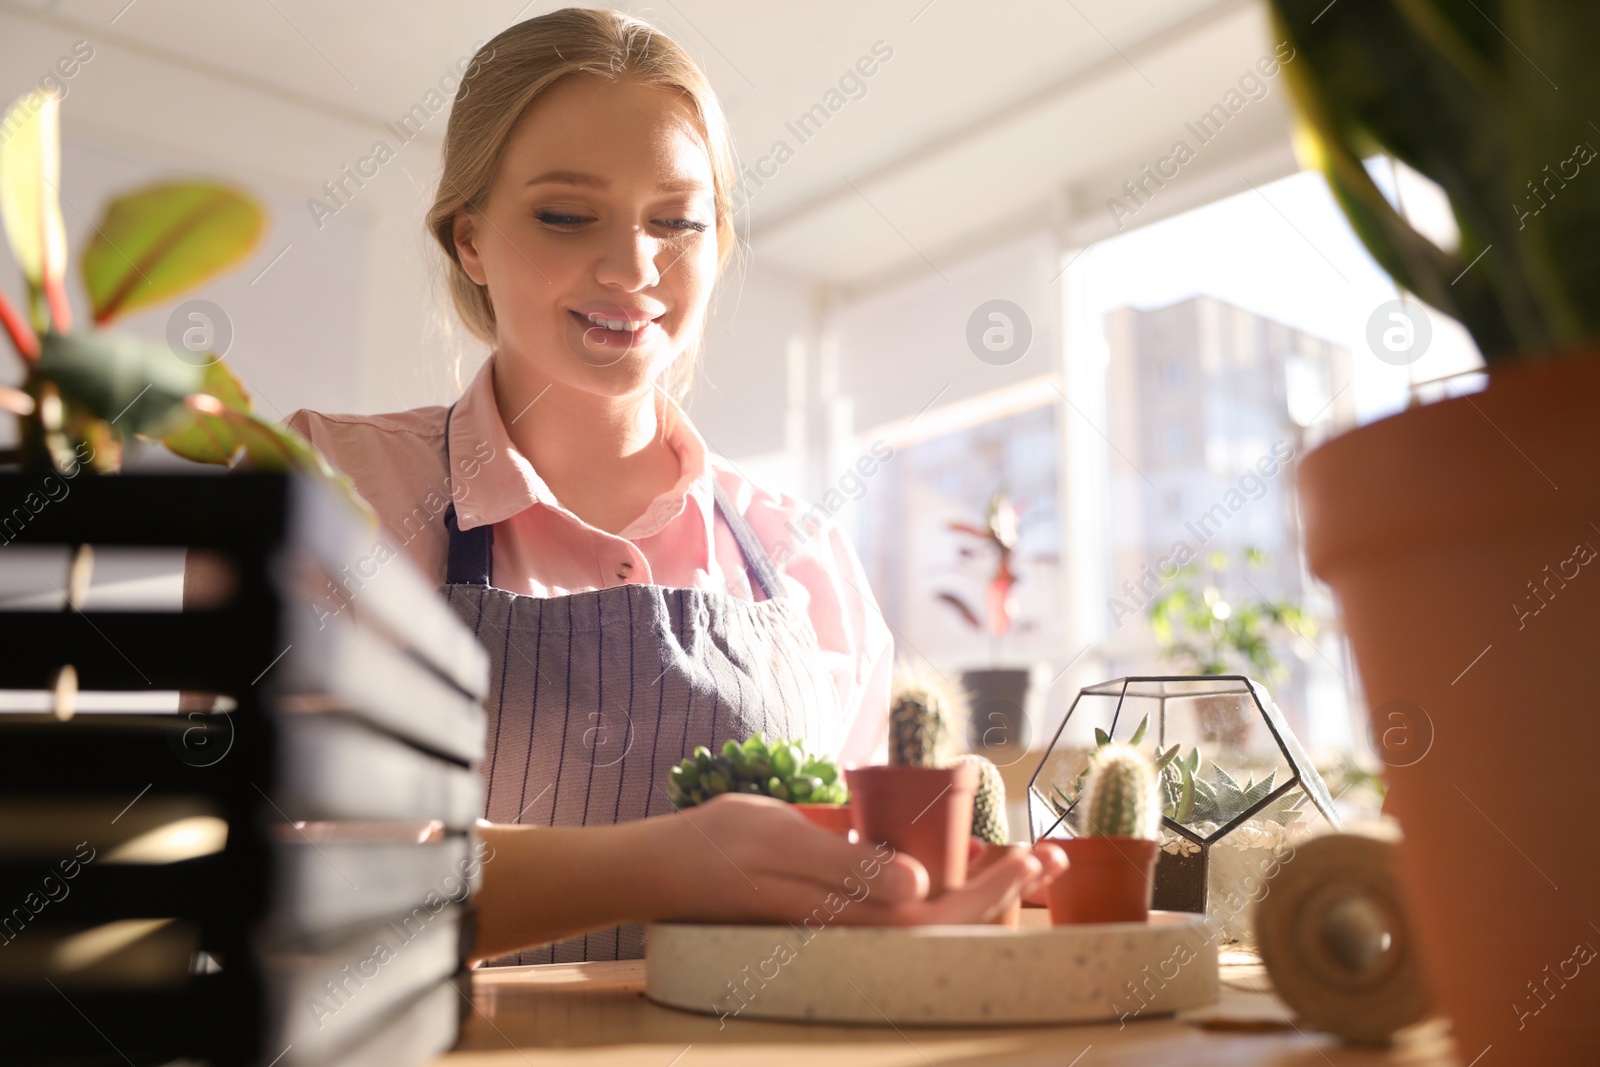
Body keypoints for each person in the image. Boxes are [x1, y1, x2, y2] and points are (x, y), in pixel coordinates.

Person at [281, 7, 1065, 966]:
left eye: (678, 220)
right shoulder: (335, 491)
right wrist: (669, 863)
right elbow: (292, 873)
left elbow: (852, 897)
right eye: (565, 215)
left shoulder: (802, 557)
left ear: (719, 242)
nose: (632, 268)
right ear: (470, 238)